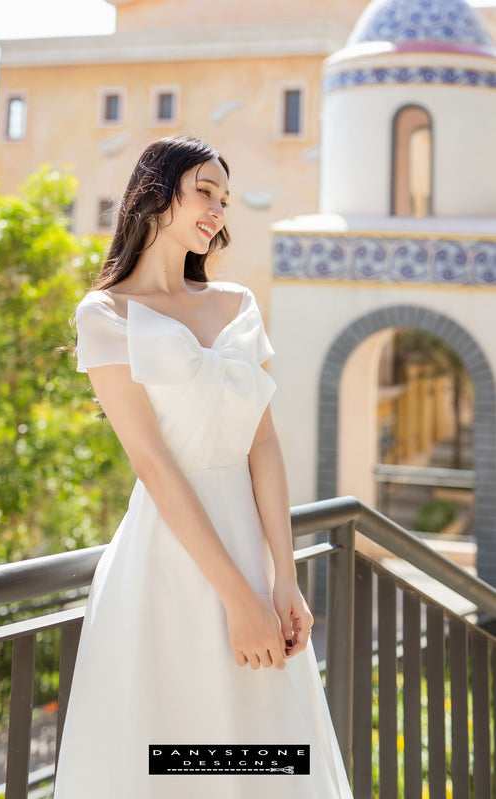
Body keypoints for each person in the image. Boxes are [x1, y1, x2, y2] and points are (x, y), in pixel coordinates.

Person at [53, 135, 353, 798]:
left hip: (249, 546)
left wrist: (282, 578)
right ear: (155, 198)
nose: (219, 209)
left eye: (224, 196)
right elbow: (154, 464)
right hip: (169, 561)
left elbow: (263, 444)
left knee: (265, 743)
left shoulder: (238, 303)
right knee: (174, 747)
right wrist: (235, 597)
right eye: (204, 192)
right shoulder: (105, 314)